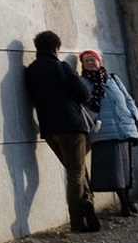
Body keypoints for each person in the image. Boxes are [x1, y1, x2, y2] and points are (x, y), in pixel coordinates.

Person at [24, 30, 100, 232]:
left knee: (76, 168)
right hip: (71, 125)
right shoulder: (61, 66)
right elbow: (84, 94)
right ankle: (77, 221)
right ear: (56, 48)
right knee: (76, 172)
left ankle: (87, 201)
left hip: (49, 129)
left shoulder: (30, 71)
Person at [81, 49, 138, 216]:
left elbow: (127, 97)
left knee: (126, 168)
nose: (90, 63)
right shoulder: (83, 82)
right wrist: (95, 119)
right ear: (83, 65)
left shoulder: (112, 78)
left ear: (99, 61)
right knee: (114, 170)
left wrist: (133, 114)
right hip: (104, 130)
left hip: (124, 127)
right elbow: (84, 106)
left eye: (93, 60)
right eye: (86, 61)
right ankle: (124, 203)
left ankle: (128, 200)